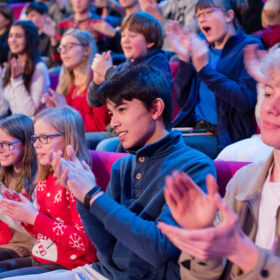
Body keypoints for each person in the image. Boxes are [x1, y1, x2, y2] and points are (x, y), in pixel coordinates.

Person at [6, 65, 216, 280]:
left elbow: (159, 250)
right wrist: (83, 200)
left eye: (122, 110)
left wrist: (93, 195)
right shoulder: (123, 166)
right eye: (110, 113)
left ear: (155, 108)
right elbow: (105, 248)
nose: (113, 123)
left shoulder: (194, 166)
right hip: (101, 273)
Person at [158, 44, 280, 279]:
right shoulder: (243, 182)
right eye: (268, 93)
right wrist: (203, 235)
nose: (272, 107)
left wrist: (244, 253)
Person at [0, 106, 97, 278]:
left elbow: (84, 243)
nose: (36, 144)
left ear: (68, 138)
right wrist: (23, 215)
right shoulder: (44, 180)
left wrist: (33, 217)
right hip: (42, 257)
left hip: (69, 264)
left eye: (44, 138)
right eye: (35, 137)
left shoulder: (78, 182)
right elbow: (42, 234)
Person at [169, 0, 263, 159]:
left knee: (162, 148)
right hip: (195, 129)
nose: (202, 19)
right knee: (142, 142)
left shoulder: (249, 46)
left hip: (222, 135)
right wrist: (185, 59)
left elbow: (245, 100)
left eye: (208, 12)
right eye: (198, 15)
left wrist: (205, 71)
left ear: (229, 16)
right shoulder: (203, 49)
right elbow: (182, 100)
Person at [86, 11, 173, 151]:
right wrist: (97, 79)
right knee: (75, 140)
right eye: (123, 35)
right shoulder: (124, 66)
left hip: (141, 132)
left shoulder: (158, 61)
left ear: (150, 41)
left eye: (132, 36)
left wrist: (108, 72)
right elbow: (94, 101)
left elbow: (143, 88)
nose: (125, 40)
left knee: (104, 147)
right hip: (115, 131)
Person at [42, 29, 108, 133]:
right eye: (61, 48)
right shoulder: (66, 83)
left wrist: (66, 109)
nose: (63, 51)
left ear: (86, 50)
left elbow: (99, 126)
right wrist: (55, 110)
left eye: (70, 46)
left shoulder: (97, 79)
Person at [0, 114, 36, 263]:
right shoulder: (4, 172)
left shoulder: (37, 178)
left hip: (26, 245)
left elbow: (34, 229)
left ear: (27, 144)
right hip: (6, 241)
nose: (1, 150)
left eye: (7, 144)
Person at [0, 20, 49, 118]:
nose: (13, 40)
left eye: (18, 36)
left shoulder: (39, 68)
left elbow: (30, 113)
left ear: (29, 39)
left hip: (34, 126)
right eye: (11, 36)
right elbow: (2, 109)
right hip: (14, 125)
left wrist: (17, 81)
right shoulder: (8, 69)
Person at [25, 2, 60, 69]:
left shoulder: (54, 32)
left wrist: (53, 38)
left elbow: (56, 61)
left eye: (33, 15)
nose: (29, 19)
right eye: (27, 16)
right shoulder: (27, 35)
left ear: (44, 15)